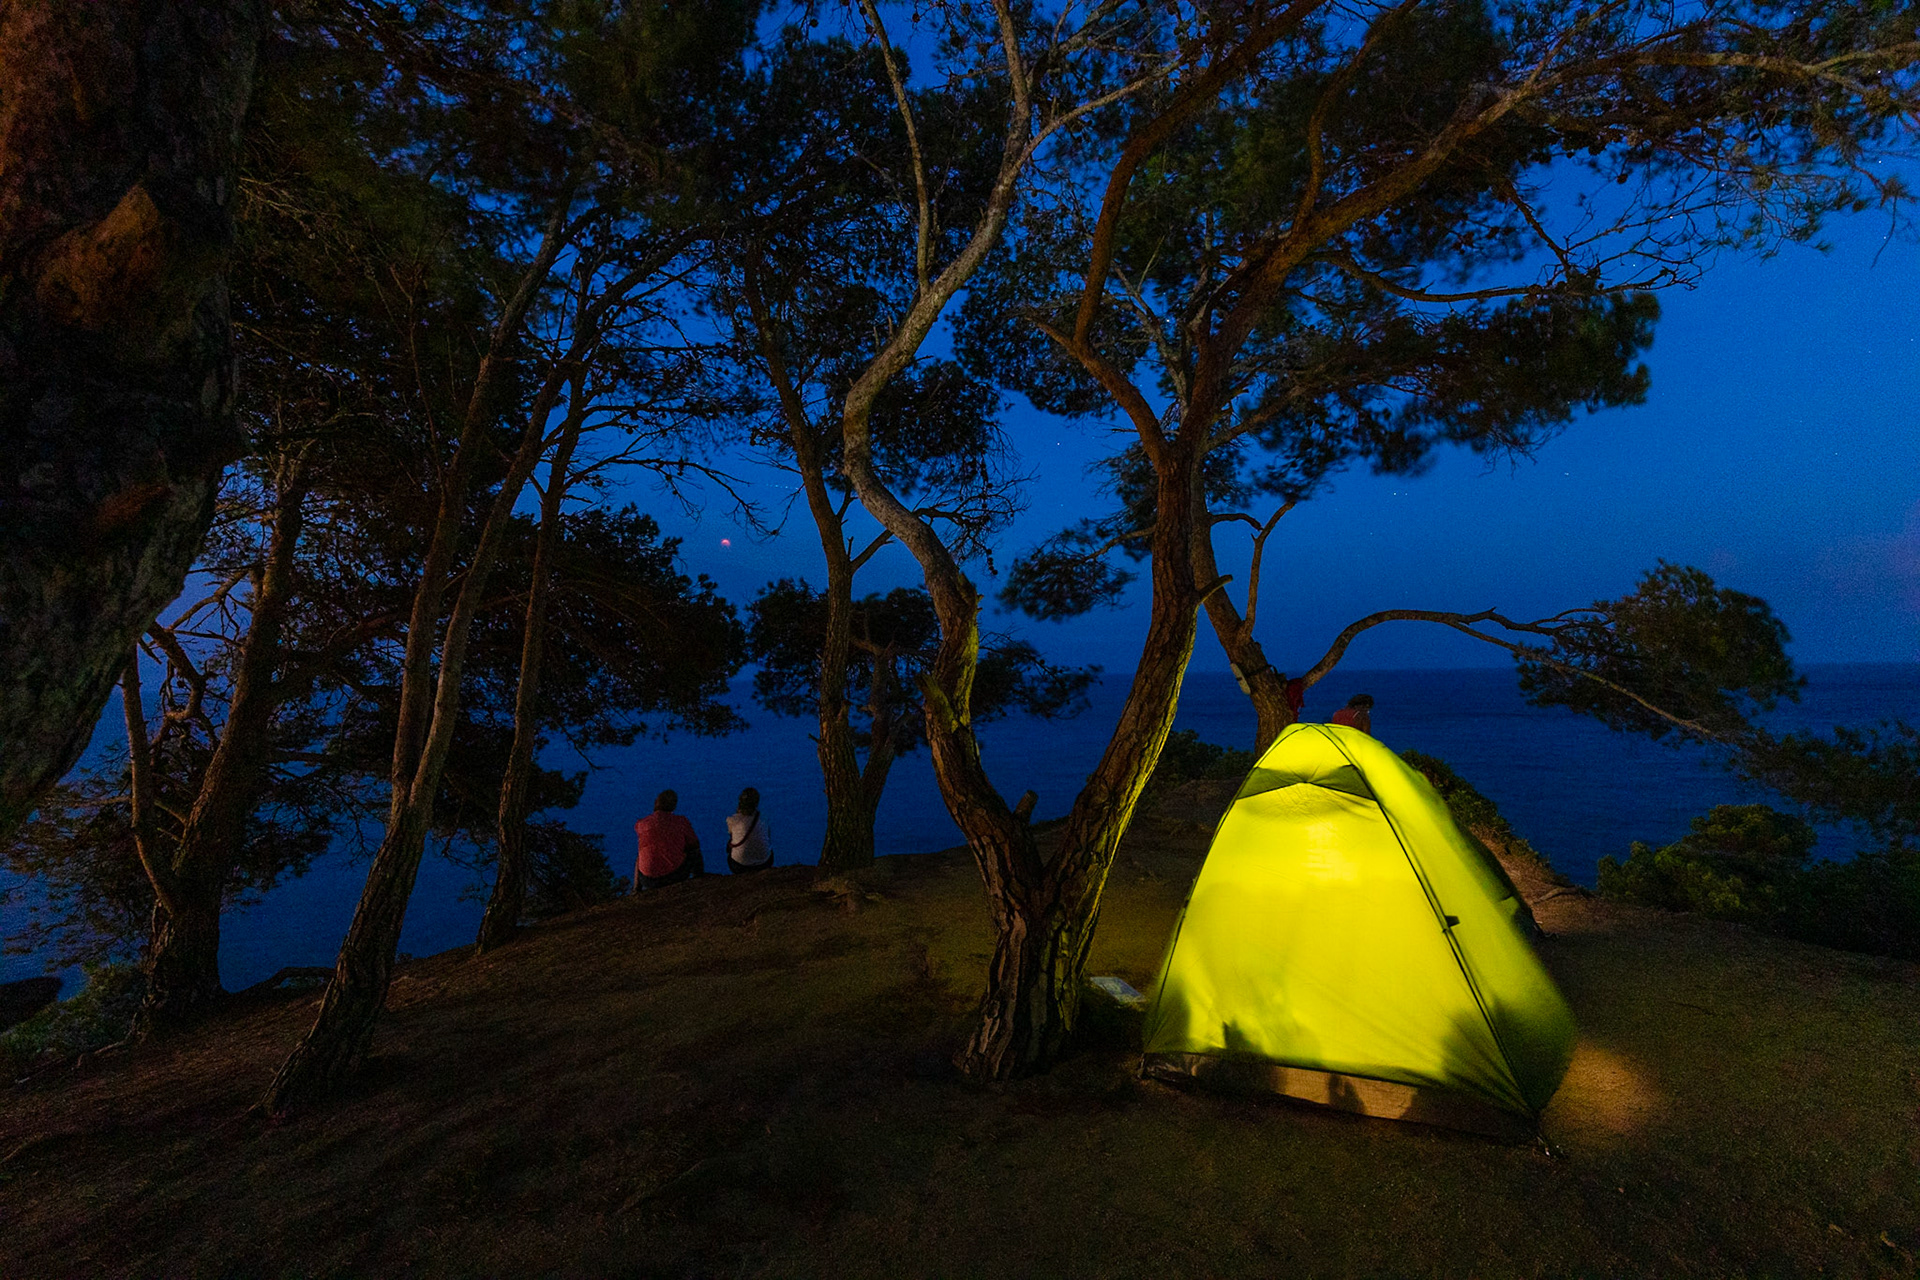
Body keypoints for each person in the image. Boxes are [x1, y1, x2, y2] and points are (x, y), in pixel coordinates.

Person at [633, 789, 703, 890]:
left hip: (647, 880)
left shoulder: (641, 824)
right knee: (693, 850)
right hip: (674, 875)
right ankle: (699, 877)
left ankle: (636, 887)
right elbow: (694, 844)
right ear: (673, 806)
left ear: (656, 802)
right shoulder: (681, 821)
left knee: (641, 853)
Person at [724, 787, 773, 874]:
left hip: (740, 866)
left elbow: (733, 838)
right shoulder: (764, 818)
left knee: (730, 851)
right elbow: (768, 837)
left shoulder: (732, 820)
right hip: (764, 863)